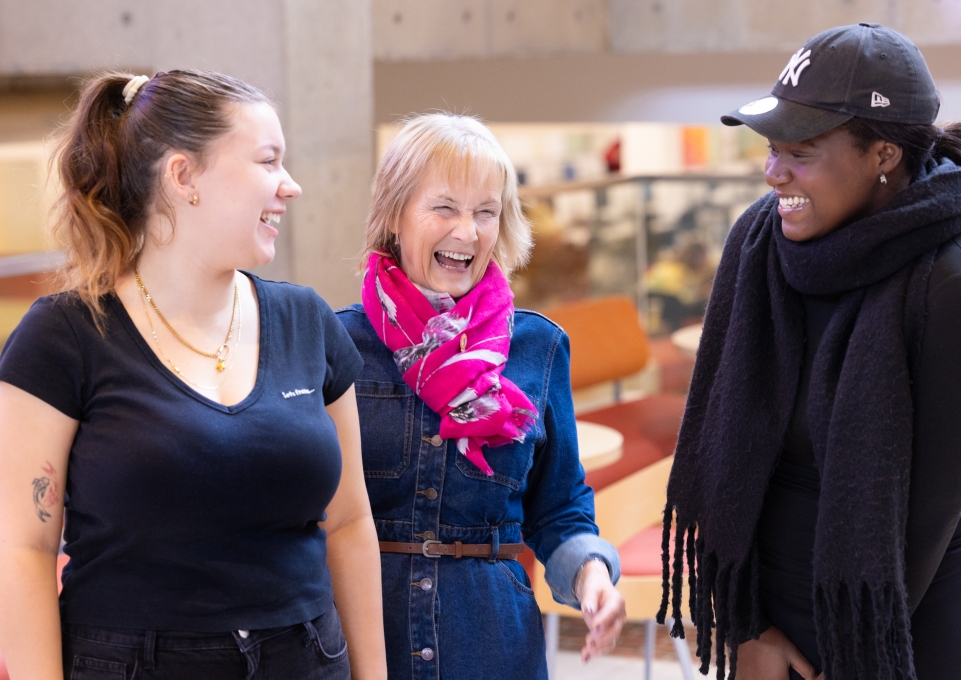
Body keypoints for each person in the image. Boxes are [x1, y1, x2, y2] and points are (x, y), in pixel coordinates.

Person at [0, 70, 386, 679]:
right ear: (184, 177)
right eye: (268, 161)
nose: (291, 186)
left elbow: (350, 522)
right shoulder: (65, 336)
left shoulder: (306, 320)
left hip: (307, 657)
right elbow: (22, 550)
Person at [658, 23, 961, 680]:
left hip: (891, 616)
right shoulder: (757, 244)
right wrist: (747, 626)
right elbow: (721, 444)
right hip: (764, 610)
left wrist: (845, 651)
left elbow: (937, 506)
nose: (772, 174)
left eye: (798, 152)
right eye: (769, 149)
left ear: (881, 154)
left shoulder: (945, 280)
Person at [336, 113, 627, 679]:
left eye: (486, 212)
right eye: (444, 208)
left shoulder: (538, 347)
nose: (467, 232)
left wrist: (592, 574)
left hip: (492, 642)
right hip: (364, 639)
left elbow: (560, 509)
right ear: (395, 213)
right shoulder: (337, 342)